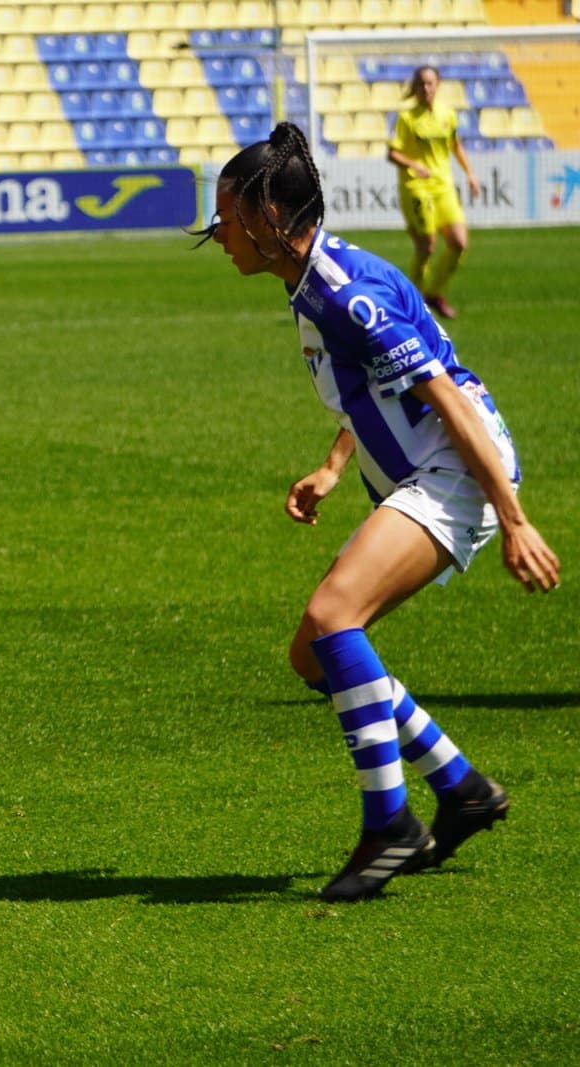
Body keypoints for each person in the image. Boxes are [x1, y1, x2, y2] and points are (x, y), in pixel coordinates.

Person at [196, 122, 559, 903]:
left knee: (334, 619)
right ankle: (460, 787)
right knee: (312, 654)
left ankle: (388, 823)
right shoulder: (313, 284)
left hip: (459, 472)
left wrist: (515, 516)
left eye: (227, 217)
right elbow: (375, 387)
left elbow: (448, 398)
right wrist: (334, 465)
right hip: (431, 469)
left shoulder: (342, 296)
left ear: (267, 216)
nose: (220, 233)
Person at [386, 65, 481, 321]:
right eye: (421, 84)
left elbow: (455, 144)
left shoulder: (447, 115)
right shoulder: (407, 118)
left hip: (443, 186)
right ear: (415, 88)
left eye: (430, 83)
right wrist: (414, 165)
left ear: (438, 85)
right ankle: (412, 301)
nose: (426, 89)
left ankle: (434, 293)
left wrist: (470, 174)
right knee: (427, 246)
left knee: (459, 243)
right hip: (416, 188)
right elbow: (392, 153)